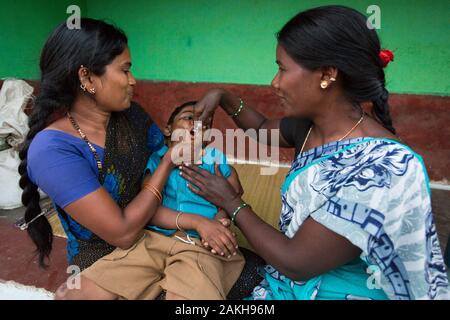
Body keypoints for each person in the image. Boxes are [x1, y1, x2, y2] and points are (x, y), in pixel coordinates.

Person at [180, 5, 449, 300]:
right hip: (289, 282)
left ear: (327, 74)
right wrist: (223, 97)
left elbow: (298, 262)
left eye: (282, 69)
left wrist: (230, 202)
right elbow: (261, 127)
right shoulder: (309, 128)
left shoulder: (384, 168)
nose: (275, 82)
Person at [18, 18, 237, 300]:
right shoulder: (52, 150)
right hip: (103, 254)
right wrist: (170, 163)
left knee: (234, 276)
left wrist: (217, 215)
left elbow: (175, 171)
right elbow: (122, 234)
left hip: (165, 231)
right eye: (125, 70)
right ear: (86, 78)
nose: (133, 80)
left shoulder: (132, 117)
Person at [77, 101, 245, 300]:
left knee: (190, 295)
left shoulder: (215, 160)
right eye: (189, 118)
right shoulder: (156, 162)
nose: (196, 125)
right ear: (168, 129)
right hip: (151, 241)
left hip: (200, 245)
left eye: (204, 123)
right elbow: (148, 209)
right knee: (82, 291)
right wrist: (199, 222)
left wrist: (221, 218)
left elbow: (234, 195)